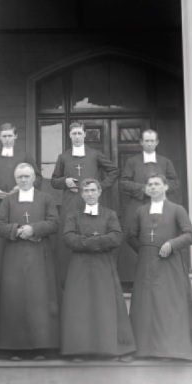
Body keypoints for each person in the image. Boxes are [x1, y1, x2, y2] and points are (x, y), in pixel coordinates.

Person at [128, 174, 192, 361]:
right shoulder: (140, 211)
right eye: (150, 184)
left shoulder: (177, 210)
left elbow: (190, 235)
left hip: (169, 265)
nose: (152, 187)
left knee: (168, 305)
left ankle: (170, 350)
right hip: (146, 265)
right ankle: (145, 350)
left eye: (156, 184)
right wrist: (146, 250)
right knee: (145, 305)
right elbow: (131, 236)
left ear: (165, 187)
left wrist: (171, 244)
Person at [61, 178, 136, 360]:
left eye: (93, 190)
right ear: (81, 194)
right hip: (80, 265)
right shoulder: (73, 215)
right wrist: (95, 242)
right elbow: (68, 238)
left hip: (103, 264)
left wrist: (89, 242)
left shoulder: (109, 214)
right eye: (86, 191)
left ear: (100, 192)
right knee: (80, 306)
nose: (90, 194)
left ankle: (110, 348)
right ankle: (78, 349)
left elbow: (116, 237)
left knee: (105, 305)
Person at [0, 163, 60, 359]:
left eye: (27, 176)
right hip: (14, 257)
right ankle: (16, 347)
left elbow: (55, 223)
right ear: (16, 179)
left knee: (38, 299)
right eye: (20, 177)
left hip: (40, 256)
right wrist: (18, 230)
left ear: (34, 178)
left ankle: (40, 347)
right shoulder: (8, 201)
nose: (23, 180)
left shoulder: (45, 198)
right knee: (15, 300)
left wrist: (34, 229)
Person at [51, 121, 119, 286]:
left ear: (85, 134)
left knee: (93, 233)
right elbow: (54, 180)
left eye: (79, 133)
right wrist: (65, 181)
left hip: (91, 202)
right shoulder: (64, 157)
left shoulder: (94, 154)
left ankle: (95, 279)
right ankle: (69, 281)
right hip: (71, 203)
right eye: (73, 133)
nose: (76, 136)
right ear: (69, 135)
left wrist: (99, 187)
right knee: (71, 236)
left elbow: (114, 170)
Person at [0, 123, 42, 290]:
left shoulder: (24, 155)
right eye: (4, 136)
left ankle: (20, 283)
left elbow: (38, 178)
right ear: (0, 137)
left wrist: (21, 187)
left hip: (20, 204)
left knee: (18, 240)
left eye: (10, 136)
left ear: (16, 137)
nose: (7, 139)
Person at [119, 129, 180, 284]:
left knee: (159, 238)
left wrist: (160, 190)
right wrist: (142, 189)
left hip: (159, 206)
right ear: (141, 142)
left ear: (157, 142)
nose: (149, 143)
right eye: (146, 141)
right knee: (134, 238)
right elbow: (123, 183)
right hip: (138, 205)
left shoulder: (165, 162)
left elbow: (174, 183)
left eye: (152, 141)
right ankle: (134, 280)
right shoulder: (132, 161)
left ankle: (162, 278)